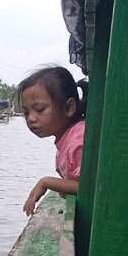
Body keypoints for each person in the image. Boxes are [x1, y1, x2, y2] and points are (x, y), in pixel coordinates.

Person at [18, 66, 88, 216]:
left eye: (40, 109)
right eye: (26, 112)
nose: (31, 118)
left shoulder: (79, 139)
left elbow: (89, 187)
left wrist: (46, 182)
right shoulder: (67, 138)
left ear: (69, 107)